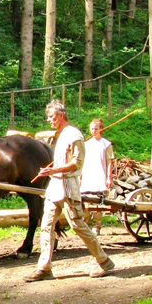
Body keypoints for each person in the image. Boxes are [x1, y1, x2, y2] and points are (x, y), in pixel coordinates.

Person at [26, 101, 115, 281]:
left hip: (68, 188)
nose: (49, 120)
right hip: (54, 188)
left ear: (60, 115)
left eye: (51, 116)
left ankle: (104, 261)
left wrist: (54, 170)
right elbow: (61, 162)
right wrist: (50, 171)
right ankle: (44, 268)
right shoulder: (62, 135)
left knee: (78, 226)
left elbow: (77, 163)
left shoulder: (74, 134)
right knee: (46, 226)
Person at [80, 118, 115, 235]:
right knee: (85, 201)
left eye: (96, 128)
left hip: (100, 175)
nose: (93, 131)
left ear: (101, 129)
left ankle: (97, 225)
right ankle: (85, 225)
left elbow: (110, 161)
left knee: (97, 202)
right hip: (87, 175)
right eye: (92, 129)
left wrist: (109, 177)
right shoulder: (86, 144)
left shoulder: (106, 144)